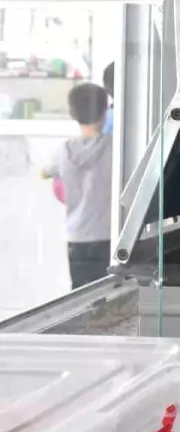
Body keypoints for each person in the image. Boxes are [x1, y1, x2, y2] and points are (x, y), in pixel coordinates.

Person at [40, 83, 114, 288]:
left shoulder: (64, 151)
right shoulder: (114, 147)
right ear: (104, 111)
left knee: (81, 295)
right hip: (108, 235)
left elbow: (43, 172)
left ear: (73, 114)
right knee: (109, 294)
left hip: (77, 236)